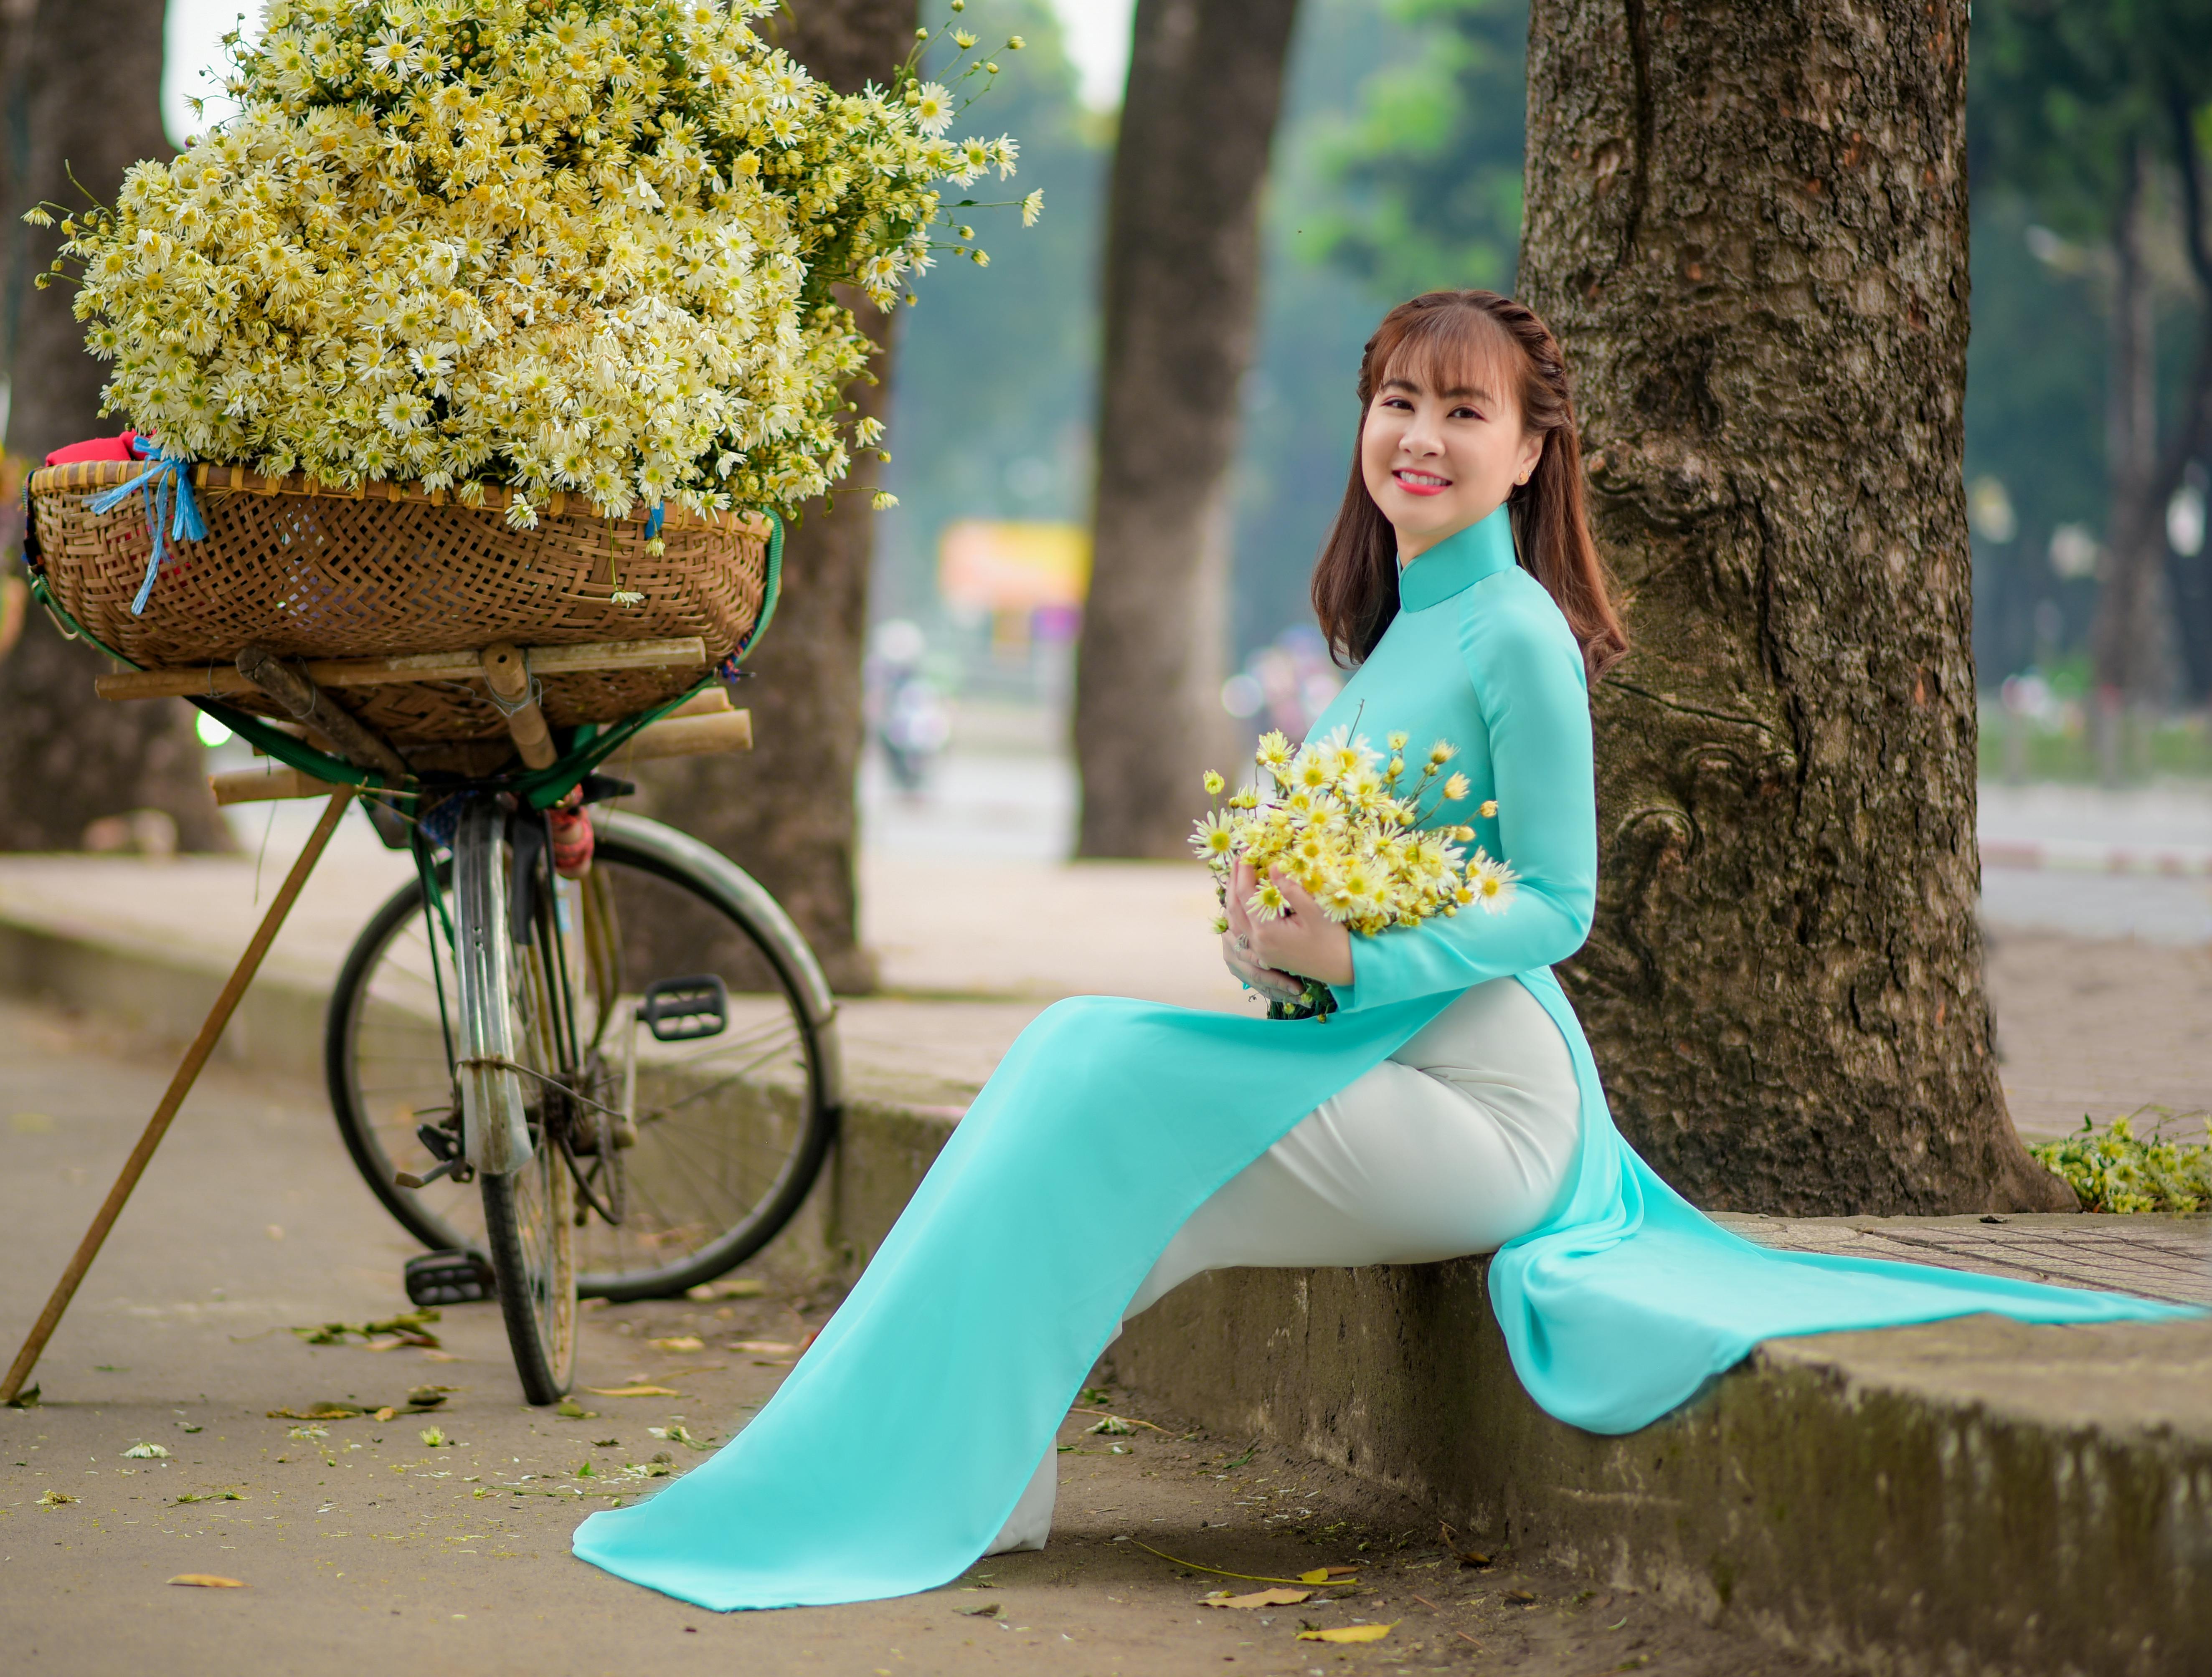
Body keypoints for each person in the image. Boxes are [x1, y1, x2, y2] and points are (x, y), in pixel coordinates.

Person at [572, 291, 2195, 1611]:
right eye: (1395, 402)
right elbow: (1351, 917)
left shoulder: (1519, 639)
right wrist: (1278, 940)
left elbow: (1557, 905)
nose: (1419, 436)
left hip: (1491, 1109)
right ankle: (940, 1478)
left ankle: (924, 1482)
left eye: (1461, 409)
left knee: (1081, 1056)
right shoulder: (1392, 636)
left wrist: (1357, 950)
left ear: (1529, 447)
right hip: (1368, 1057)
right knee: (1075, 1149)